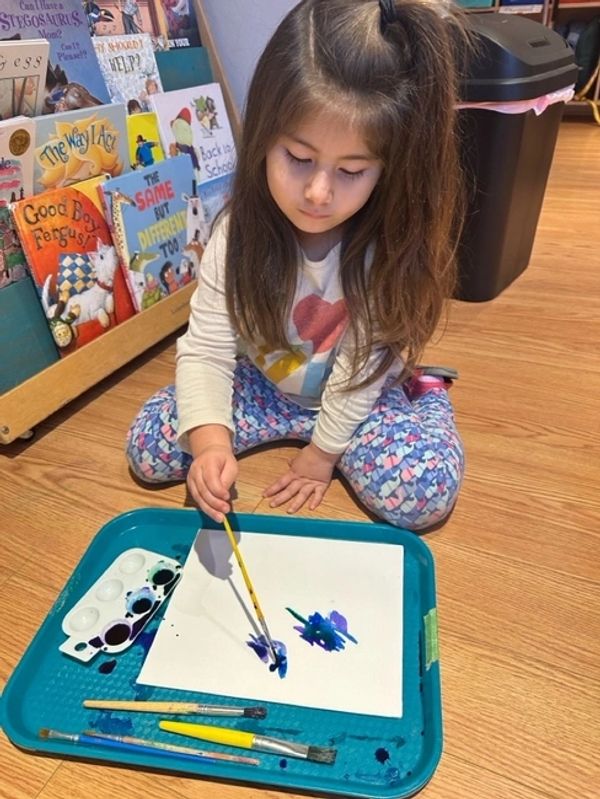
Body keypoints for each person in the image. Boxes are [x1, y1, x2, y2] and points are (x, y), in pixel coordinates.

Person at [126, 0, 468, 532]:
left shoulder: (385, 245)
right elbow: (208, 348)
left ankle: (424, 392)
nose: (318, 193)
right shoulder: (236, 233)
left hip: (357, 391)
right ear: (264, 136)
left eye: (351, 170)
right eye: (299, 159)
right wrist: (211, 443)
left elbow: (358, 370)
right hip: (266, 386)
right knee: (149, 447)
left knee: (423, 494)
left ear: (387, 170)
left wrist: (322, 455)